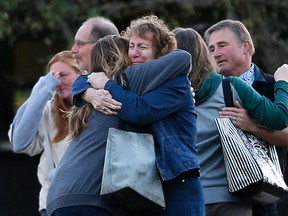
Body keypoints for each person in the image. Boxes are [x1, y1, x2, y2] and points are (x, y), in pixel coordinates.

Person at [47, 15, 204, 216]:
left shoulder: (173, 82)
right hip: (150, 183)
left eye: (143, 47)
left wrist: (103, 84)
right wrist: (89, 91)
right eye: (131, 46)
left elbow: (140, 110)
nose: (134, 53)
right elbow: (87, 78)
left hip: (176, 178)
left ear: (160, 51)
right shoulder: (131, 83)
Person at [172, 27, 288, 216]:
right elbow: (280, 117)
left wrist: (253, 127)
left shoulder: (164, 96)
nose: (216, 53)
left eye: (222, 45)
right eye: (210, 48)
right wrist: (284, 82)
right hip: (233, 198)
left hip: (191, 197)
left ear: (246, 46)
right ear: (203, 54)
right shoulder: (229, 87)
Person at [8, 51, 83, 216]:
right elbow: (19, 143)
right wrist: (42, 90)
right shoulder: (49, 110)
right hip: (52, 204)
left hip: (86, 201)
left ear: (82, 73)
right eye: (53, 77)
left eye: (63, 75)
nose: (58, 82)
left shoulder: (96, 107)